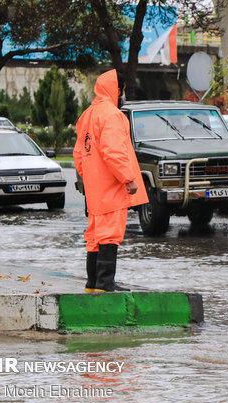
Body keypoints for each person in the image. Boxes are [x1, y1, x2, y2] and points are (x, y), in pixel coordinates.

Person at [73, 69, 148, 292]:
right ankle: (105, 284)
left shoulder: (87, 115)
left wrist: (90, 177)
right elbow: (113, 151)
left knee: (95, 235)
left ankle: (93, 283)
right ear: (116, 90)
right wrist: (128, 178)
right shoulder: (112, 115)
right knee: (110, 234)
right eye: (123, 91)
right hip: (112, 186)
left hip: (95, 188)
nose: (123, 95)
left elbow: (78, 154)